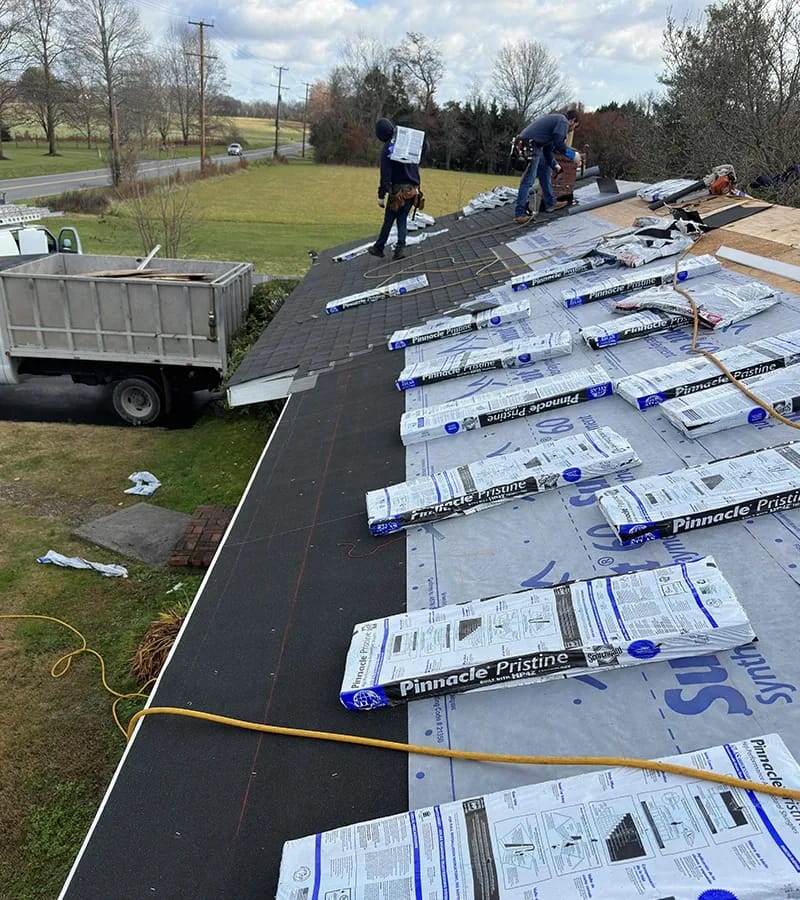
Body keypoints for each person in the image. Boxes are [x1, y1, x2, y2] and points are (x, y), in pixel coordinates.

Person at [368, 117, 425, 261]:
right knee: (402, 218)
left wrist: (381, 195)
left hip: (398, 190)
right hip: (413, 190)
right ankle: (399, 248)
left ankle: (379, 247)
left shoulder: (388, 148)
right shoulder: (408, 142)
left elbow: (385, 175)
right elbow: (425, 147)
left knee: (389, 219)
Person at [514, 109, 581, 224]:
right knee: (528, 180)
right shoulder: (563, 121)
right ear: (573, 120)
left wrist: (556, 165)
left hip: (533, 145)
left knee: (545, 169)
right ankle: (520, 214)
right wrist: (574, 156)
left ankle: (551, 203)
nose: (571, 130)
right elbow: (559, 144)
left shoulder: (555, 124)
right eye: (574, 127)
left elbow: (547, 151)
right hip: (530, 146)